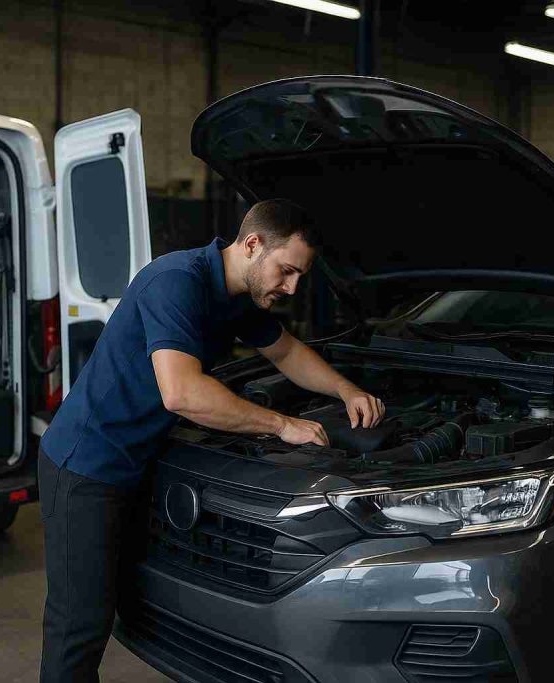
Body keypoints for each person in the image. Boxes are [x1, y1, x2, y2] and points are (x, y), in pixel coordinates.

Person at [37, 198, 384, 682]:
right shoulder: (175, 281)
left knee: (127, 600)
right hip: (85, 465)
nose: (292, 287)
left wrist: (346, 388)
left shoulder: (240, 298)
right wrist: (282, 424)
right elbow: (181, 394)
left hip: (139, 462)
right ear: (252, 244)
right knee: (80, 624)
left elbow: (285, 351)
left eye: (299, 276)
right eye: (287, 271)